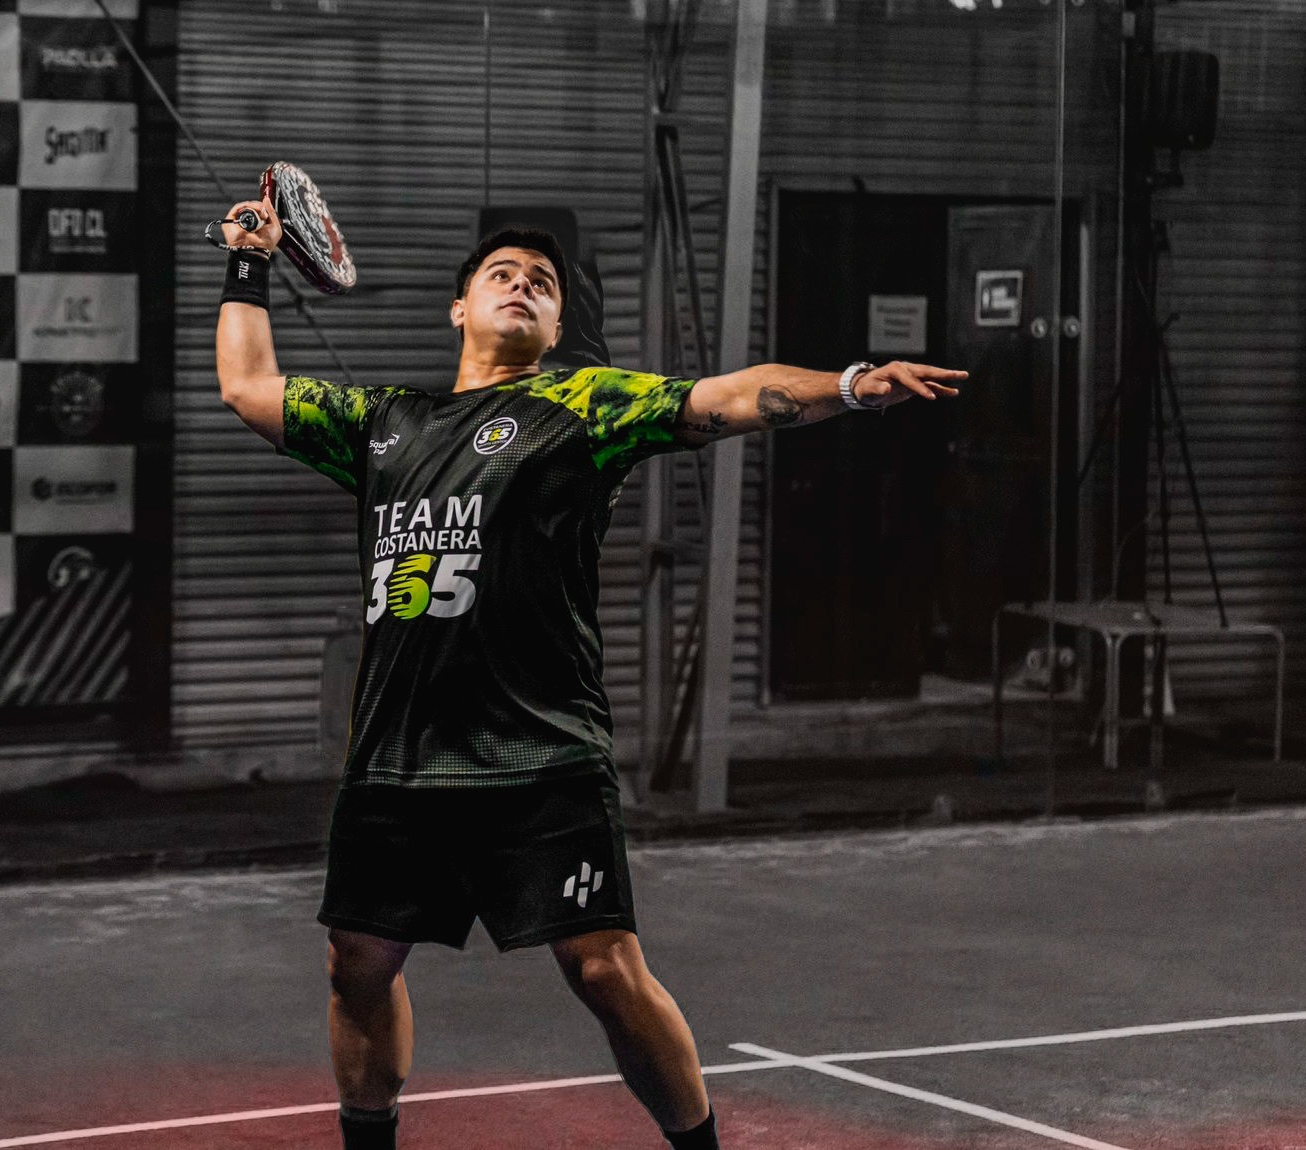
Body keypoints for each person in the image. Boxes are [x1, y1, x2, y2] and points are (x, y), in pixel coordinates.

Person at [213, 193, 966, 1150]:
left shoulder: (583, 406)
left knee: (605, 969)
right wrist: (248, 261)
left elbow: (731, 396)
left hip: (541, 752)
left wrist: (853, 384)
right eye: (502, 274)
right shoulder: (385, 423)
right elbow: (248, 387)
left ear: (558, 323)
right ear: (460, 309)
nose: (523, 284)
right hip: (398, 759)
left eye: (543, 282)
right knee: (356, 962)